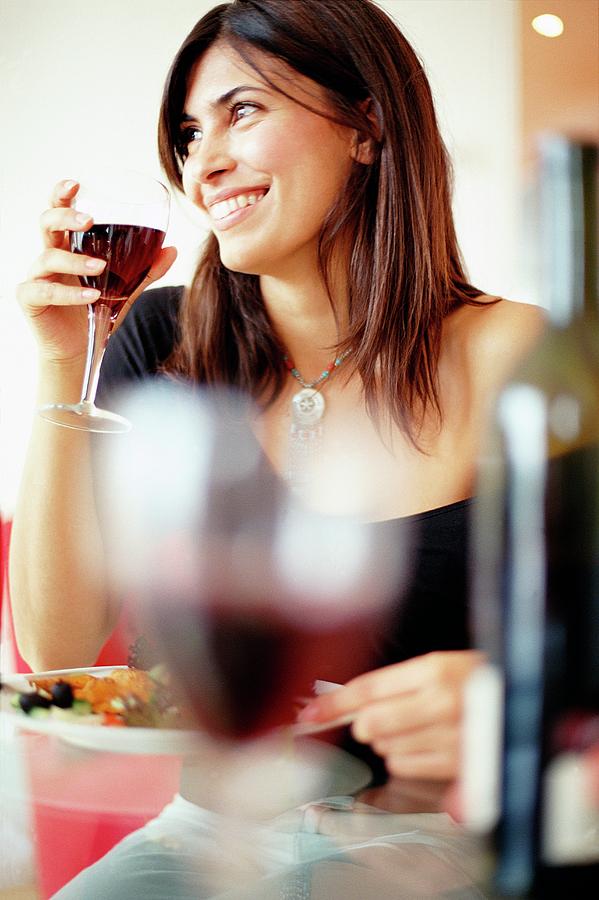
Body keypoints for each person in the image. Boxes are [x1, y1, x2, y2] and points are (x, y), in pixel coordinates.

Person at [10, 0, 545, 895]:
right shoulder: (160, 341)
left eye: (242, 111)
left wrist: (503, 696)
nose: (203, 163)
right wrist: (65, 366)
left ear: (366, 125)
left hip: (427, 840)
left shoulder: (514, 354)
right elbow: (58, 645)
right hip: (196, 840)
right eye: (188, 133)